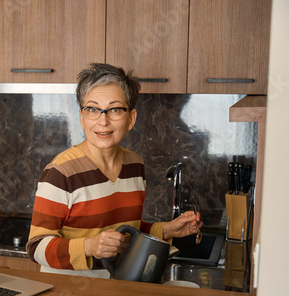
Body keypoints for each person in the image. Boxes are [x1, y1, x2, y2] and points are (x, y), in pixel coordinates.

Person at [26, 63, 203, 278]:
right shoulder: (61, 173)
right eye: (92, 109)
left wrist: (166, 230)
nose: (103, 120)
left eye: (115, 109)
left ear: (131, 119)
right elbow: (36, 247)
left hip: (116, 289)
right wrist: (89, 247)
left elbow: (126, 231)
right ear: (82, 117)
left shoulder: (134, 166)